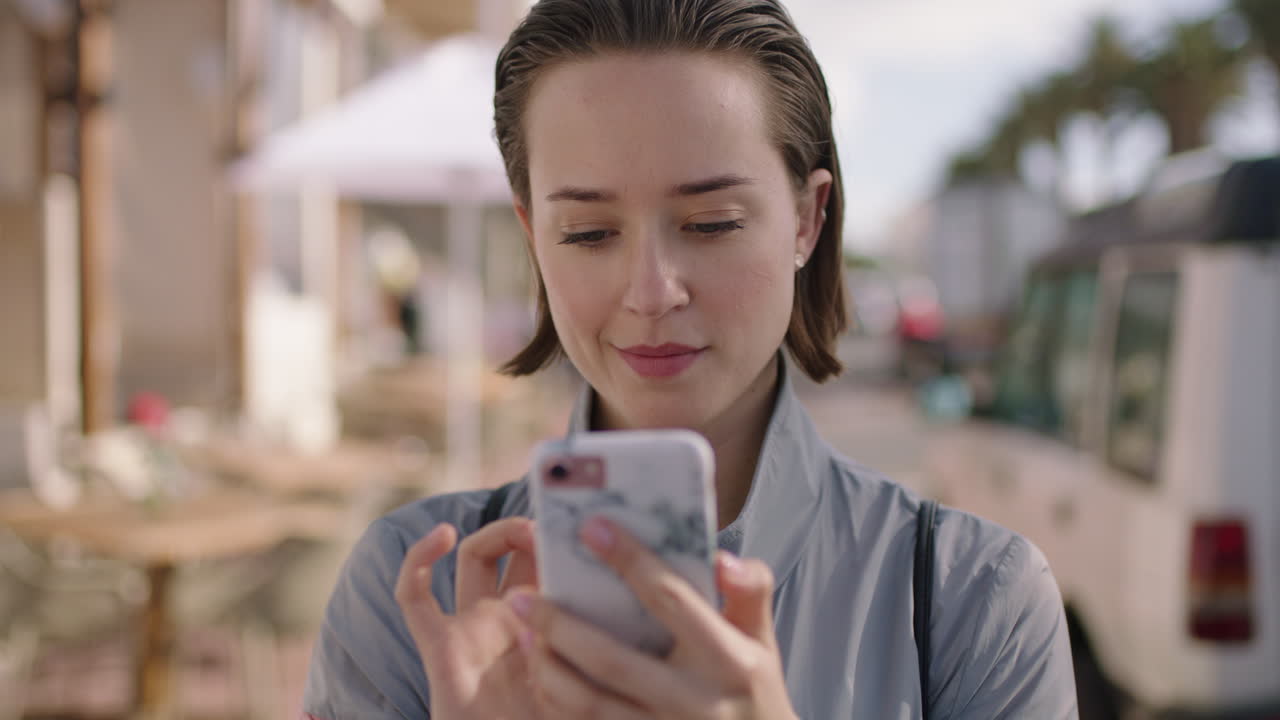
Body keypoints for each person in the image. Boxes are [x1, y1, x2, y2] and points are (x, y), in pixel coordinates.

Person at [301, 0, 1079, 717]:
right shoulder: (411, 596)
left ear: (807, 220)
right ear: (533, 233)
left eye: (711, 223)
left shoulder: (973, 601)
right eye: (588, 233)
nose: (651, 292)